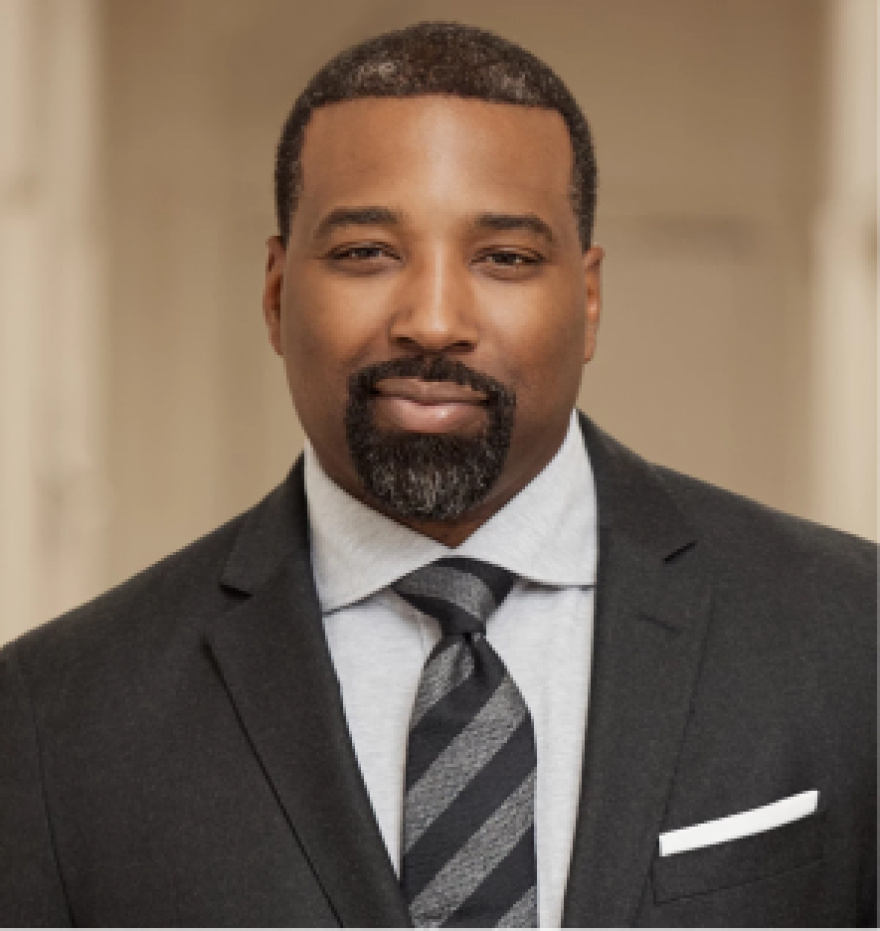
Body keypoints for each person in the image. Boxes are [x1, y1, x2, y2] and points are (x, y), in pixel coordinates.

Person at [1, 20, 878, 931]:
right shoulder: (52, 721)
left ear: (587, 297)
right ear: (274, 290)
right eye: (366, 253)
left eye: (504, 257)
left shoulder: (854, 640)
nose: (431, 318)